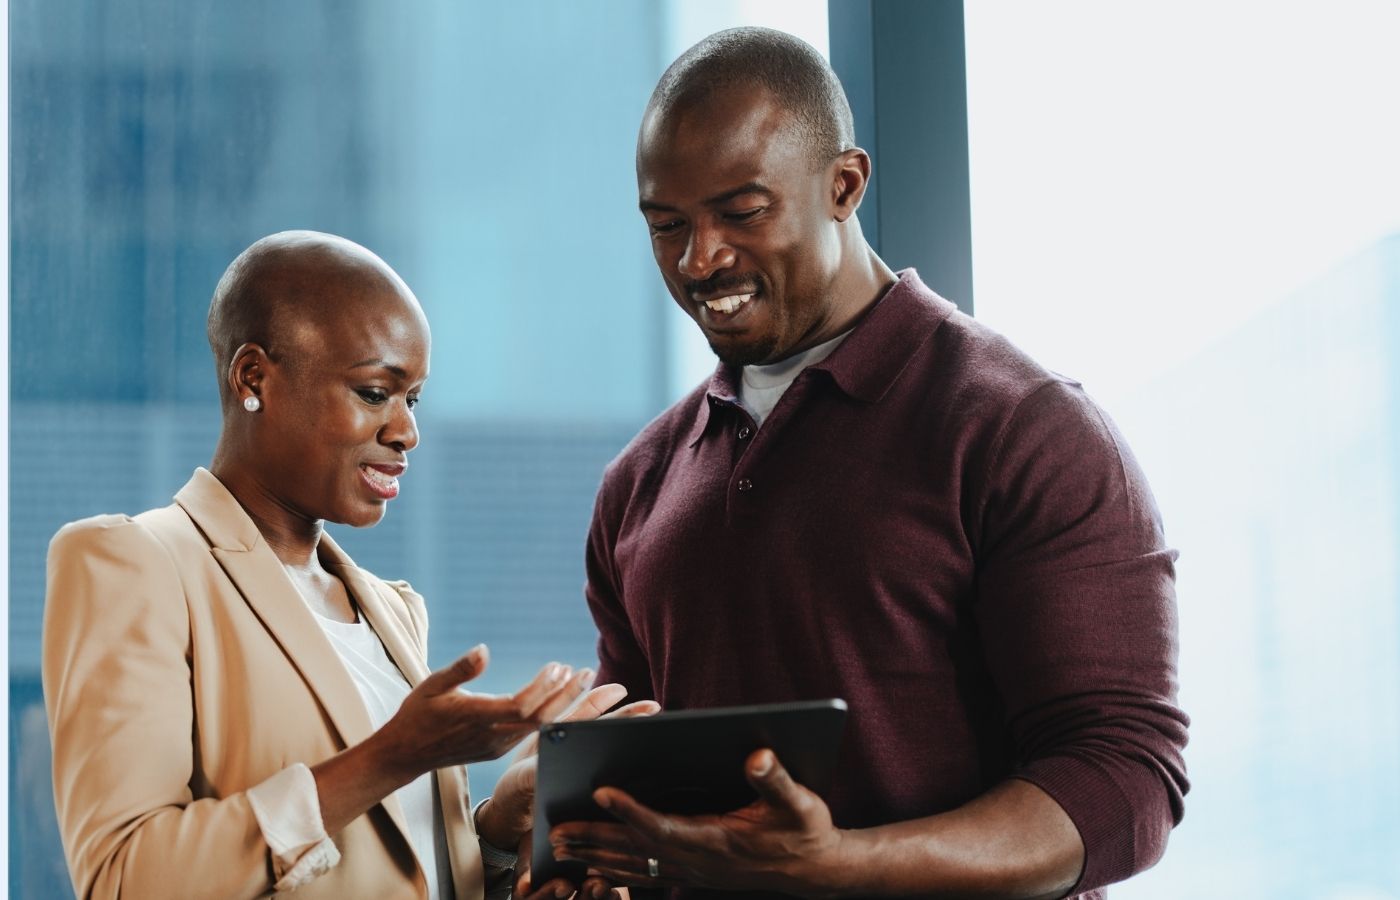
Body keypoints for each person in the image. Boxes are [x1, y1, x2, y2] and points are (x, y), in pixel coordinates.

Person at [547, 28, 1189, 900]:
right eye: (668, 225)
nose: (701, 260)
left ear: (843, 185)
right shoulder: (638, 484)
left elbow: (1125, 785)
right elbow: (632, 782)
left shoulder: (1024, 429)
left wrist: (840, 869)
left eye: (741, 213)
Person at [42, 231, 653, 900]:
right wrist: (395, 754)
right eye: (373, 393)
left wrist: (500, 830)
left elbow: (394, 864)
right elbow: (125, 878)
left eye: (412, 399)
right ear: (254, 378)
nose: (406, 432)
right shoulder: (136, 564)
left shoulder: (392, 609)